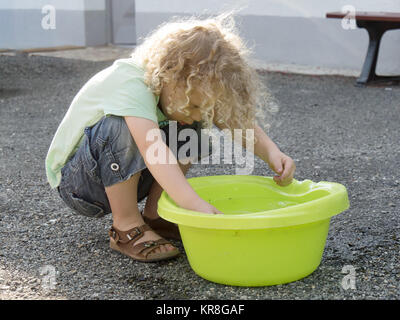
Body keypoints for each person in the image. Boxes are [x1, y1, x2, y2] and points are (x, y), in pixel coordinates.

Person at [45, 12, 296, 263]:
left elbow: (235, 121)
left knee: (190, 125)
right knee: (118, 125)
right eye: (196, 103)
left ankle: (157, 216)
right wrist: (192, 203)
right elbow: (153, 149)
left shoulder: (180, 94)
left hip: (126, 175)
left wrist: (272, 152)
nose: (197, 112)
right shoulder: (129, 82)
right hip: (81, 185)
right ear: (169, 75)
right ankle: (126, 227)